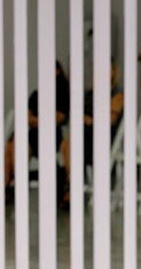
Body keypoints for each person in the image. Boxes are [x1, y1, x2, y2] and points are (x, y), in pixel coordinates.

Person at [59, 56, 124, 209]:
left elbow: (110, 120)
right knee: (67, 143)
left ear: (113, 72)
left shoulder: (117, 94)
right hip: (85, 136)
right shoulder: (90, 94)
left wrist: (90, 119)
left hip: (102, 140)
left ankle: (71, 188)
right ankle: (72, 186)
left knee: (71, 144)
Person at [4, 60, 70, 195]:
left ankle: (16, 185)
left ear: (57, 71)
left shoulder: (63, 94)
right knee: (12, 145)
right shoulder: (36, 94)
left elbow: (59, 118)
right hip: (33, 134)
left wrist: (37, 120)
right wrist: (44, 119)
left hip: (52, 135)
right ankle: (11, 185)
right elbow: (26, 118)